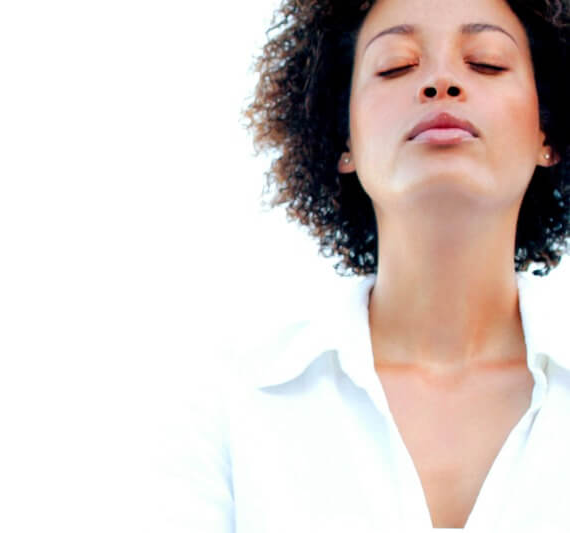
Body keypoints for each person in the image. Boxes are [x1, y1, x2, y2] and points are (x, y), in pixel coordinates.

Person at [155, 0, 570, 531]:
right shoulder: (230, 403)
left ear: (547, 133)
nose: (441, 82)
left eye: (486, 62)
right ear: (344, 140)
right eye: (396, 65)